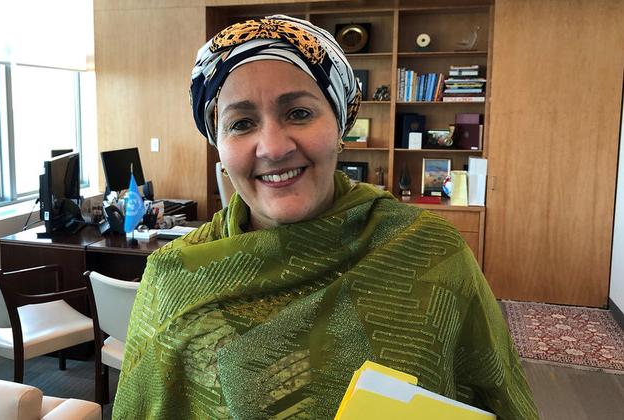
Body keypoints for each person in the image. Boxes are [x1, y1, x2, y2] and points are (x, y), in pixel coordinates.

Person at [112, 15, 538, 419]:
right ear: (218, 144)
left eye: (298, 113)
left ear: (340, 125)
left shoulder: (431, 252)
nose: (273, 147)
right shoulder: (175, 277)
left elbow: (495, 396)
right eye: (241, 123)